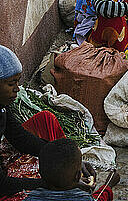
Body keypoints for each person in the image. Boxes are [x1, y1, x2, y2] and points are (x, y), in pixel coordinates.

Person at [0, 46, 96, 199]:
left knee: (46, 118)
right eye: (11, 84)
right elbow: (2, 186)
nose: (17, 89)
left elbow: (18, 137)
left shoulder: (2, 106)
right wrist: (59, 185)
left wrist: (71, 161)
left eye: (17, 83)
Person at [26, 139, 119, 201]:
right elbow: (99, 198)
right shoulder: (84, 198)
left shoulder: (30, 198)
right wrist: (108, 185)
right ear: (78, 175)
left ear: (39, 173)